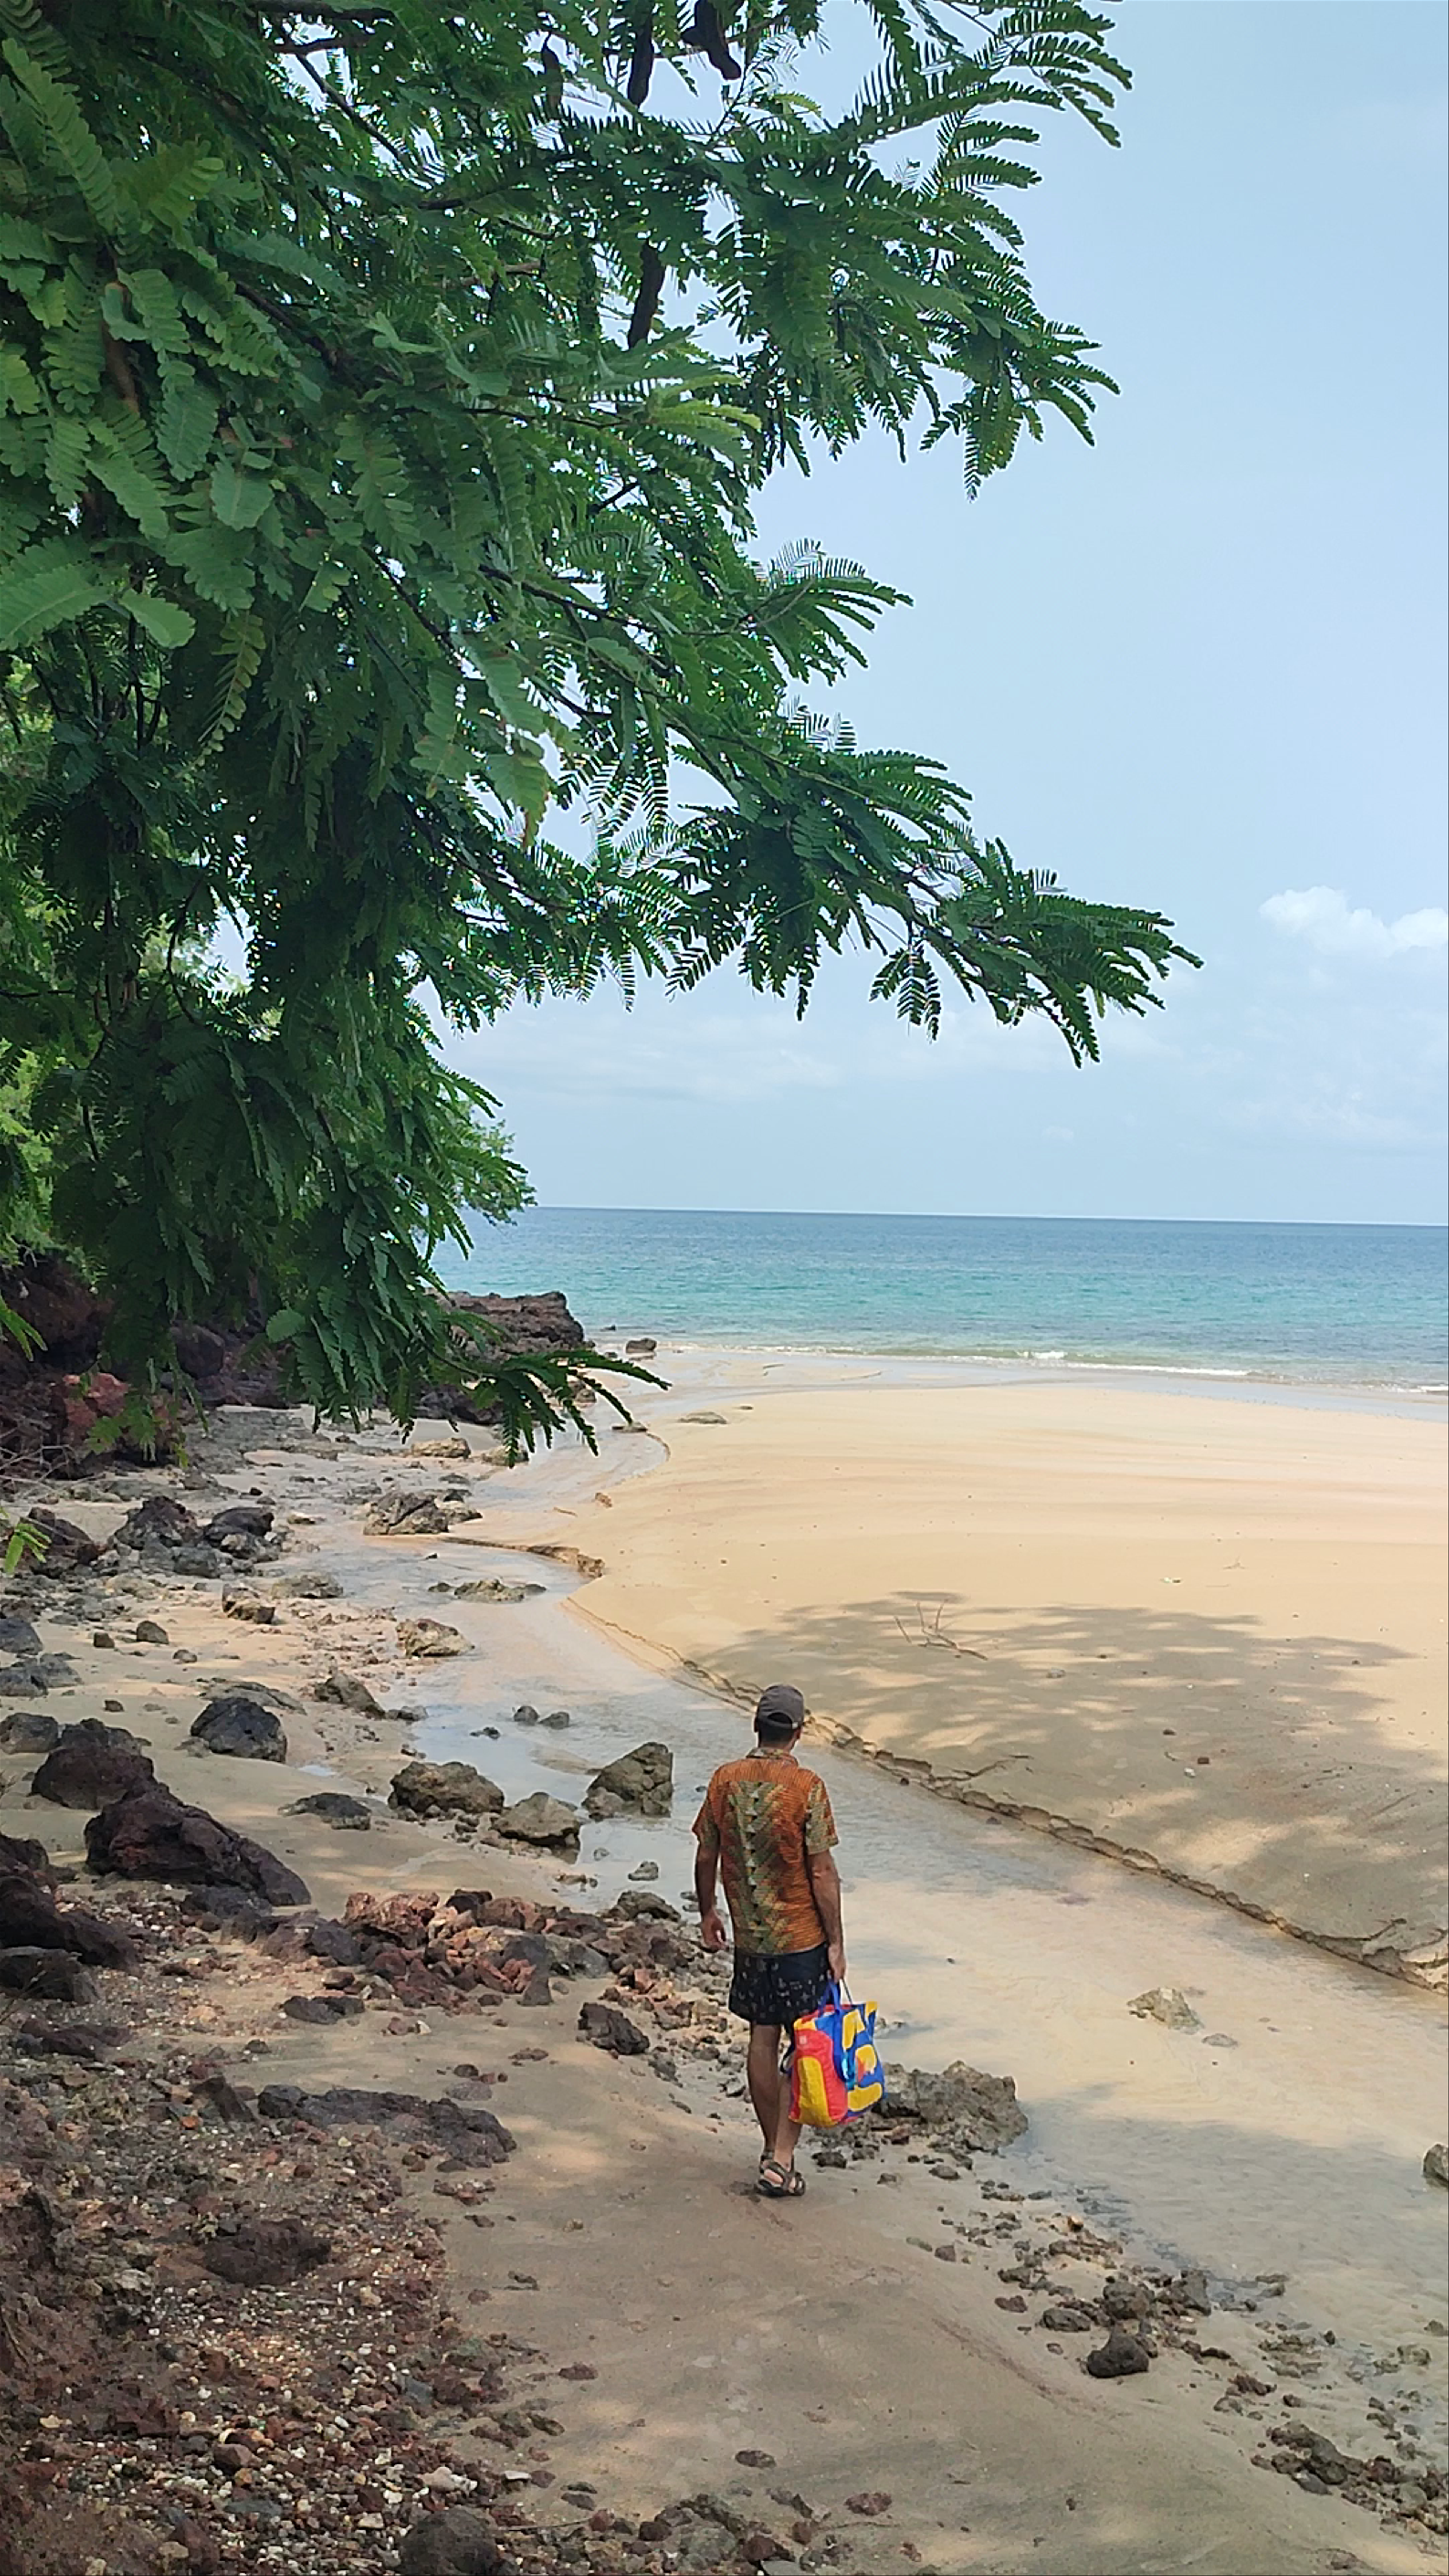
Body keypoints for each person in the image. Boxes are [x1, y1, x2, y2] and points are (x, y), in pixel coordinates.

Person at [692, 1681, 845, 2199]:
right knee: (807, 2044)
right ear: (799, 1732)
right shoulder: (807, 1786)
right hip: (801, 1939)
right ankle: (781, 2156)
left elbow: (705, 1854)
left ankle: (771, 2150)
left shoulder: (725, 1780)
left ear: (757, 1726)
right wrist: (837, 1941)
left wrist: (709, 1909)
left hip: (751, 1939)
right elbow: (822, 1873)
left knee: (762, 2037)